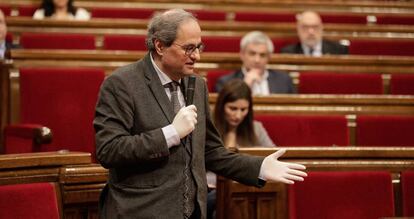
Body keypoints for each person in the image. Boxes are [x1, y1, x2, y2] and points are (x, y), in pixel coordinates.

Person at [94, 9, 306, 219]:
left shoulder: (197, 84)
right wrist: (170, 134)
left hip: (192, 211)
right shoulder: (122, 84)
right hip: (141, 211)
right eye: (188, 48)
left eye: (198, 47)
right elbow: (109, 149)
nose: (196, 56)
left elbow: (210, 151)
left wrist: (257, 167)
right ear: (160, 46)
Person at [207, 79, 276, 219]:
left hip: (248, 189)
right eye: (232, 108)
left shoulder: (256, 128)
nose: (238, 115)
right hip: (213, 192)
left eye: (243, 109)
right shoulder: (209, 127)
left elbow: (273, 157)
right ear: (221, 106)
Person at [215, 31, 295, 94]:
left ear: (269, 57)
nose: (257, 60)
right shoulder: (226, 82)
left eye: (262, 55)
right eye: (252, 54)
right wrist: (245, 86)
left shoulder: (284, 80)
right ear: (242, 54)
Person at [280, 10, 348, 56]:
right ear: (298, 30)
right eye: (305, 27)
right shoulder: (288, 53)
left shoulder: (339, 50)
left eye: (315, 27)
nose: (311, 31)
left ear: (322, 28)